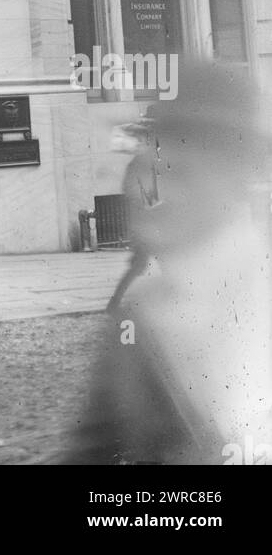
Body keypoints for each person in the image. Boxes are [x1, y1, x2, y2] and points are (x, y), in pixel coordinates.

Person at [67, 61, 272, 465]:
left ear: (236, 172)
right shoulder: (140, 317)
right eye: (158, 148)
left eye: (184, 165)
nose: (156, 178)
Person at [106, 115, 159, 314]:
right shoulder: (139, 165)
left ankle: (114, 302)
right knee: (140, 265)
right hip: (145, 224)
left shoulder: (145, 164)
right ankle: (114, 302)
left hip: (151, 222)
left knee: (142, 265)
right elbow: (135, 194)